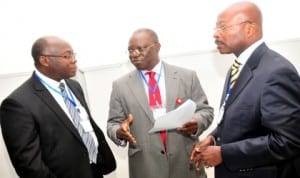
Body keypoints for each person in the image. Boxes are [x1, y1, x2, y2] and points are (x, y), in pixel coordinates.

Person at [190, 1, 300, 178]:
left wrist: (225, 154)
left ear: (250, 29)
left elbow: (288, 141)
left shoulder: (276, 71)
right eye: (216, 28)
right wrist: (213, 137)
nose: (215, 34)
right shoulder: (238, 68)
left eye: (223, 27)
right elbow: (241, 122)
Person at [0, 36, 116, 178]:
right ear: (45, 60)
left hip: (94, 169)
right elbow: (28, 164)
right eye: (67, 56)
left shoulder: (74, 86)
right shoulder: (17, 104)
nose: (74, 60)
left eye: (73, 54)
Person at [106, 28, 214, 178]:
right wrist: (119, 132)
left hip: (185, 164)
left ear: (157, 47)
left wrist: (196, 122)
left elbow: (205, 111)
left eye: (140, 49)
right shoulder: (120, 85)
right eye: (130, 50)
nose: (134, 54)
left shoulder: (186, 76)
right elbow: (113, 123)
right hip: (146, 167)